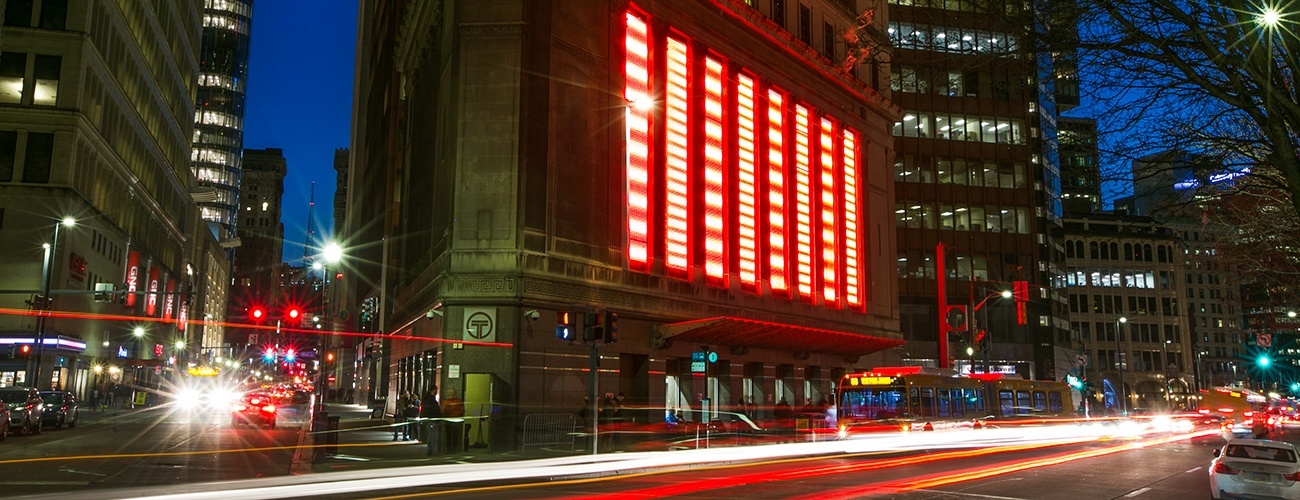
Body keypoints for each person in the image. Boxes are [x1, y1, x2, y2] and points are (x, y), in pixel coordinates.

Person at [420, 388, 442, 456]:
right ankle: (434, 451)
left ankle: (429, 450)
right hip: (432, 419)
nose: (436, 392)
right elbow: (434, 410)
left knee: (430, 435)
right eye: (436, 390)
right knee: (434, 436)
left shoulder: (427, 399)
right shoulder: (431, 400)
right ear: (433, 390)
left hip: (429, 419)